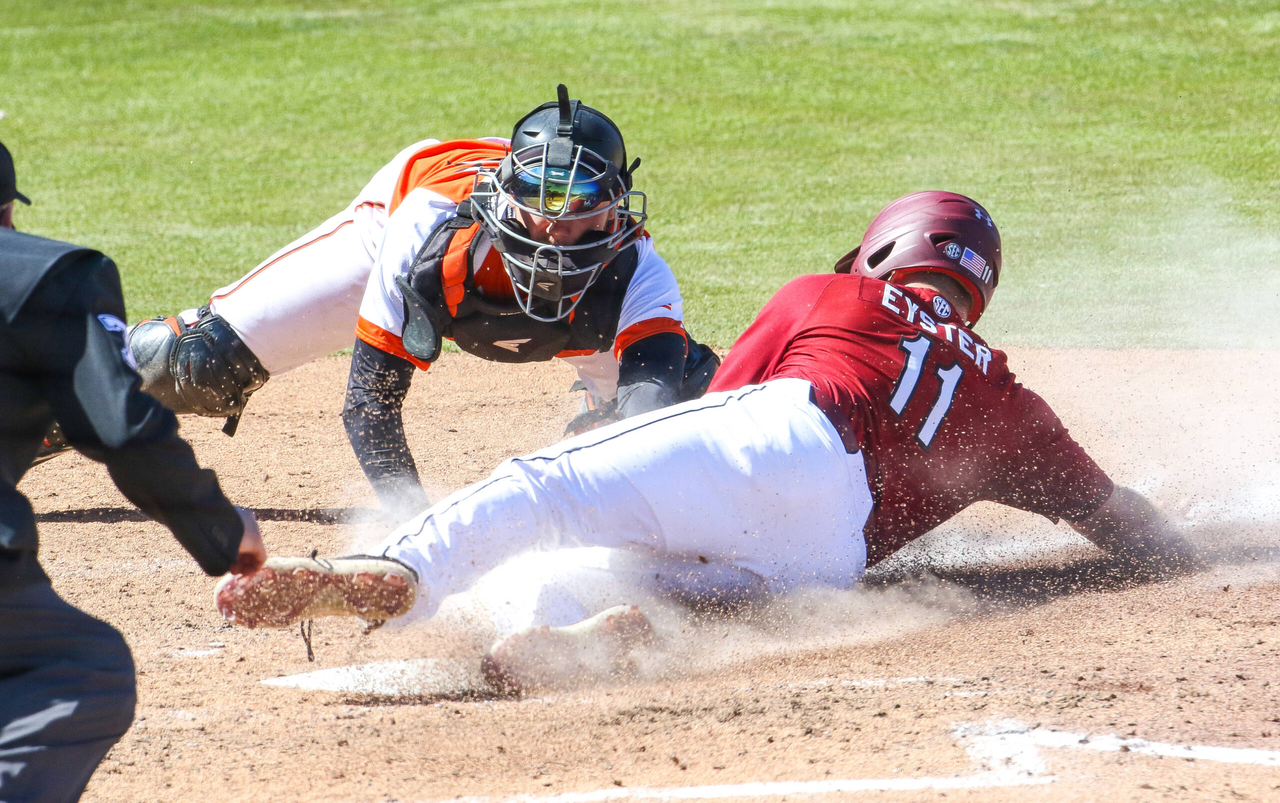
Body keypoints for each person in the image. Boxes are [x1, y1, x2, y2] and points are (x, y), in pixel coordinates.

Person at [213, 190, 1197, 691]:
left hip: (783, 435)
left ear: (887, 247)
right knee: (632, 570)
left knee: (544, 492)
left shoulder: (836, 290)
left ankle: (398, 569)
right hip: (828, 556)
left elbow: (723, 404)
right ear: (973, 286)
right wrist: (1205, 559)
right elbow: (1119, 520)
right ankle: (592, 637)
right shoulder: (1005, 393)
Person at [112, 86, 718, 513]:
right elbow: (369, 406)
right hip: (396, 216)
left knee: (683, 404)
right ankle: (56, 392)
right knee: (200, 366)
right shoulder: (429, 231)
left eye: (585, 205)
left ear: (618, 206)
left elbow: (650, 422)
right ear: (505, 199)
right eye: (539, 204)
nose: (556, 229)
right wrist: (413, 523)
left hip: (581, 305)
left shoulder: (640, 272)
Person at [0, 141, 266, 802]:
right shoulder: (45, 276)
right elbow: (118, 426)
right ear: (7, 210)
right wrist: (221, 527)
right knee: (79, 671)